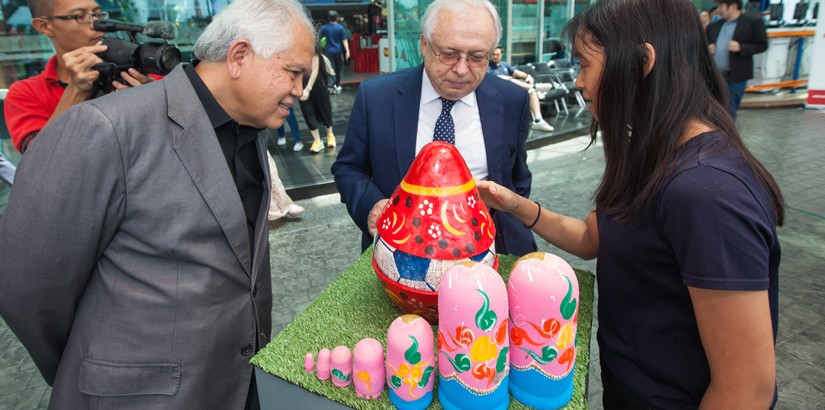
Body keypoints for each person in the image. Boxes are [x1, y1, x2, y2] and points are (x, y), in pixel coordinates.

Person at [0, 0, 315, 407]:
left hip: (235, 387)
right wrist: (97, 367)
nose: (299, 90)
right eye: (293, 73)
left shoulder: (252, 130)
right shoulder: (105, 128)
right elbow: (27, 286)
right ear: (238, 56)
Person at [476, 0, 783, 408]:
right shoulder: (654, 151)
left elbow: (746, 389)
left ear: (642, 62)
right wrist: (516, 205)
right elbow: (592, 237)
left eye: (585, 65)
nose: (579, 83)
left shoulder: (707, 194)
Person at [332, 0, 537, 256]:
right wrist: (373, 206)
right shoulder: (376, 98)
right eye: (449, 54)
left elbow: (517, 178)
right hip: (401, 253)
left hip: (492, 250)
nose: (461, 70)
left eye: (476, 57)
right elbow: (349, 168)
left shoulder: (512, 100)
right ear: (424, 45)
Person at [3, 0, 153, 154]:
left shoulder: (140, 75)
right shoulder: (25, 93)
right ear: (45, 26)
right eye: (80, 16)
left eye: (98, 14)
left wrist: (153, 100)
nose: (96, 24)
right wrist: (76, 89)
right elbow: (38, 160)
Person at [707, 0, 767, 119]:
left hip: (735, 76)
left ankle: (728, 136)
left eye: (721, 6)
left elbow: (762, 45)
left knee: (729, 110)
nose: (718, 9)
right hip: (715, 75)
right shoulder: (714, 25)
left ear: (733, 6)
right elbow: (704, 43)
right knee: (712, 110)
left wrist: (741, 47)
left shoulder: (753, 22)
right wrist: (707, 48)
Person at [487, 45, 555, 132]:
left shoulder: (504, 65)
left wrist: (527, 76)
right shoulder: (487, 66)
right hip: (498, 92)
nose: (495, 56)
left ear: (501, 55)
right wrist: (504, 78)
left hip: (512, 91)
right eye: (493, 54)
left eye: (497, 54)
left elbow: (518, 73)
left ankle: (538, 120)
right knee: (510, 80)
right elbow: (488, 79)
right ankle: (535, 87)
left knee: (532, 92)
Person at [298, 42, 337, 154]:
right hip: (301, 81)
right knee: (307, 111)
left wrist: (308, 89)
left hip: (317, 82)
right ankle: (317, 141)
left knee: (324, 108)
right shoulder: (292, 47)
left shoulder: (311, 44)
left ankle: (330, 135)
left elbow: (315, 69)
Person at [319, 10, 350, 94]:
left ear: (328, 18)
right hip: (338, 51)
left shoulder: (324, 28)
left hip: (328, 51)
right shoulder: (340, 28)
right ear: (337, 18)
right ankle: (337, 85)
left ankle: (331, 86)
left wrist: (321, 49)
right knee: (338, 69)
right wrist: (347, 51)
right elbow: (344, 40)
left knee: (330, 68)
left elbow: (320, 39)